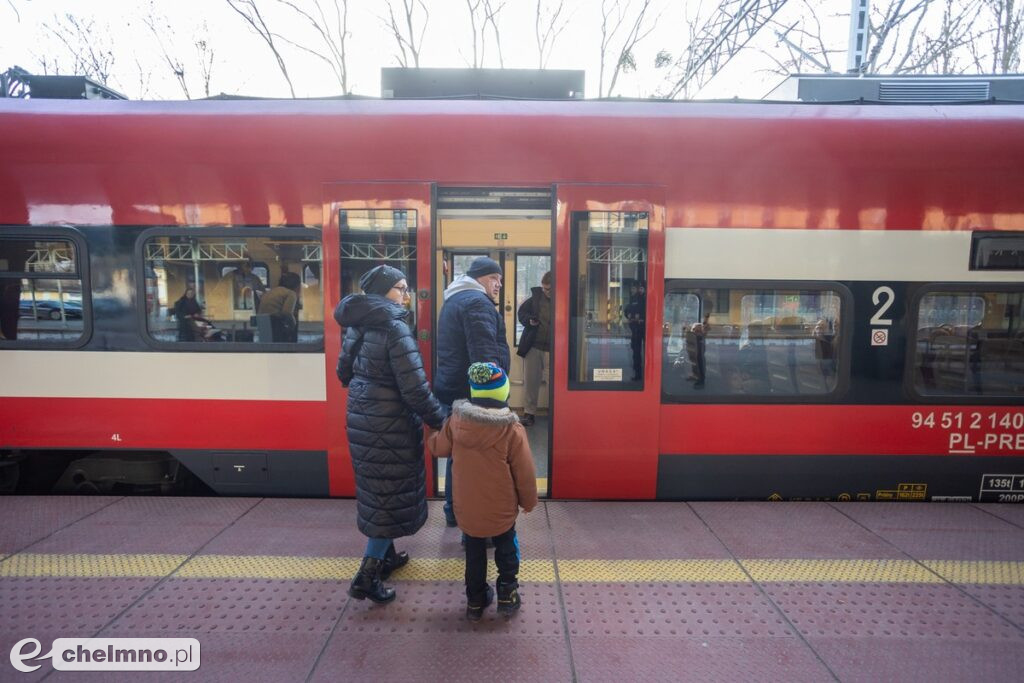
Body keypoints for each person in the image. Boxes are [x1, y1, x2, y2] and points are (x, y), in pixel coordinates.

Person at [334, 264, 448, 604]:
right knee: (388, 494)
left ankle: (388, 557)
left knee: (380, 491)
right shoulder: (394, 327)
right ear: (382, 291)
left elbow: (343, 373)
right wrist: (440, 419)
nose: (406, 295)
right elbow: (415, 389)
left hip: (362, 417)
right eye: (400, 288)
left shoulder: (357, 324)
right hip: (391, 422)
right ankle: (366, 577)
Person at [428, 362, 537, 621]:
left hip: (467, 509)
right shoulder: (512, 429)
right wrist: (529, 502)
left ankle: (475, 601)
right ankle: (507, 594)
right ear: (504, 392)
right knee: (506, 547)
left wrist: (432, 433)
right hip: (501, 509)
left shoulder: (456, 421)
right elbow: (524, 472)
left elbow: (438, 448)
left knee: (474, 553)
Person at [434, 256, 510, 528]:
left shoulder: (455, 299)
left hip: (454, 389)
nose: (498, 284)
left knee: (460, 455)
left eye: (500, 279)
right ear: (479, 277)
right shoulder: (477, 303)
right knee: (475, 460)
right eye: (494, 278)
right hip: (473, 395)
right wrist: (492, 399)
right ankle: (469, 518)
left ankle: (454, 511)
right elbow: (484, 358)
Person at [516, 271, 551, 426]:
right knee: (531, 382)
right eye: (544, 288)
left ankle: (555, 412)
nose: (545, 291)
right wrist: (529, 320)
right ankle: (529, 413)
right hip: (534, 346)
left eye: (548, 289)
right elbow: (521, 313)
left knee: (553, 384)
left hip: (553, 349)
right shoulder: (536, 298)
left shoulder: (564, 299)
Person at [258, 271, 302, 342]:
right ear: (297, 285)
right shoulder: (291, 293)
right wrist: (293, 325)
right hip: (275, 325)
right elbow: (287, 313)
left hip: (262, 324)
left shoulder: (271, 291)